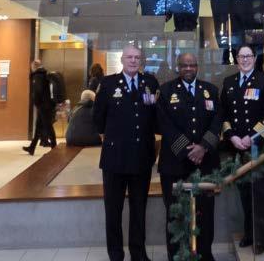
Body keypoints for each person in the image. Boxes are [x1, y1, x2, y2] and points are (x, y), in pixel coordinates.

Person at [93, 45, 160, 261]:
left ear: (141, 61)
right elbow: (98, 118)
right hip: (115, 158)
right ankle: (115, 254)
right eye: (129, 57)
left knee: (139, 209)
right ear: (122, 60)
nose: (133, 61)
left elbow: (155, 117)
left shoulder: (150, 83)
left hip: (141, 157)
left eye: (137, 57)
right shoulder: (108, 84)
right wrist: (109, 137)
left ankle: (138, 253)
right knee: (113, 210)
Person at [157, 53, 222, 261]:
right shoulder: (165, 91)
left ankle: (205, 255)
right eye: (184, 65)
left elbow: (218, 121)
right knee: (175, 214)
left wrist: (203, 147)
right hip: (174, 165)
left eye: (192, 65)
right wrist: (188, 150)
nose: (188, 68)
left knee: (205, 213)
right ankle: (177, 256)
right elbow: (164, 124)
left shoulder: (210, 90)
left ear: (197, 67)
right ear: (178, 67)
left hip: (205, 164)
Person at [220, 45, 264, 255]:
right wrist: (231, 136)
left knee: (260, 193)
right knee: (244, 192)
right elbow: (223, 114)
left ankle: (259, 237)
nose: (244, 60)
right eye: (241, 56)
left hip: (260, 147)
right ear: (236, 59)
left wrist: (252, 136)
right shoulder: (229, 82)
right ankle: (249, 233)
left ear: (254, 58)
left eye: (248, 56)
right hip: (237, 148)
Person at [24, 60, 57, 155]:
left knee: (48, 126)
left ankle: (54, 147)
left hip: (43, 106)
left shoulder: (38, 75)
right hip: (46, 105)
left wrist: (36, 103)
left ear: (34, 66)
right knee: (39, 126)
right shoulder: (44, 74)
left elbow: (38, 91)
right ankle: (32, 147)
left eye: (31, 67)